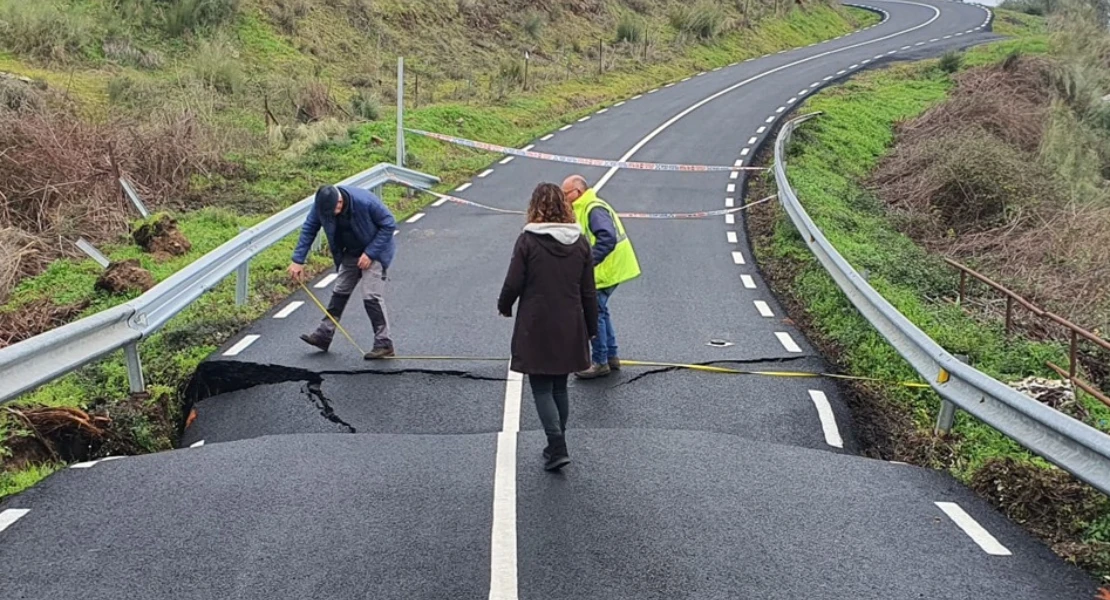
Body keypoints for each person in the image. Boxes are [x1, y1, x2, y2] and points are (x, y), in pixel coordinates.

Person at [499, 182, 598, 471]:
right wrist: (591, 327)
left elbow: (514, 281)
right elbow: (588, 290)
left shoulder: (528, 240)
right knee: (559, 386)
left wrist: (505, 305)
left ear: (535, 207)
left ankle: (556, 446)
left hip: (537, 323)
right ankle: (558, 442)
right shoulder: (580, 242)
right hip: (571, 322)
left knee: (540, 387)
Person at [288, 184, 397, 360]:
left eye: (336, 209)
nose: (334, 214)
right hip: (350, 251)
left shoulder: (364, 201)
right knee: (339, 292)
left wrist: (370, 253)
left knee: (371, 296)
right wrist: (297, 260)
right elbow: (309, 229)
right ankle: (324, 335)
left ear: (340, 200)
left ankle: (384, 343)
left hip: (375, 251)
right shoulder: (322, 205)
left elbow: (389, 224)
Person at [561, 175, 641, 379]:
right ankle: (610, 357)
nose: (563, 197)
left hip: (605, 270)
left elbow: (607, 238)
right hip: (611, 268)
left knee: (593, 313)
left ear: (577, 192)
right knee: (601, 311)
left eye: (565, 193)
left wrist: (588, 263)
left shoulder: (593, 208)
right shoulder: (586, 206)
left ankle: (599, 361)